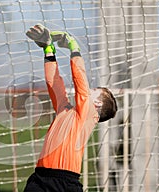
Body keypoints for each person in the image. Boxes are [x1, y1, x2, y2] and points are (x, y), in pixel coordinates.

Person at [24, 24, 118, 192]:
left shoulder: (89, 116)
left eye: (95, 91)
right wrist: (48, 49)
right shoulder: (64, 110)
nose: (90, 89)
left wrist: (74, 49)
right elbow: (54, 82)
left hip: (65, 183)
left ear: (97, 104)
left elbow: (80, 80)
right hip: (39, 179)